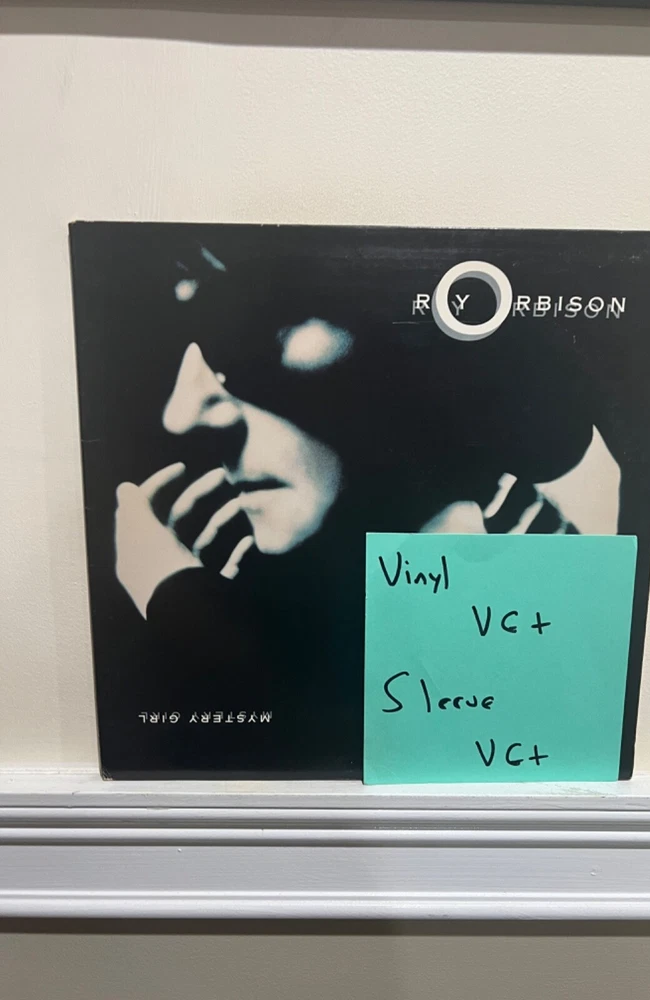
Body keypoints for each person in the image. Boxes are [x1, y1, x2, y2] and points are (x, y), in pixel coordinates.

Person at [113, 247, 621, 776]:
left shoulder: (506, 575)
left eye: (264, 325)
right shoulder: (257, 557)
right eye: (190, 340)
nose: (182, 413)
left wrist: (171, 598)